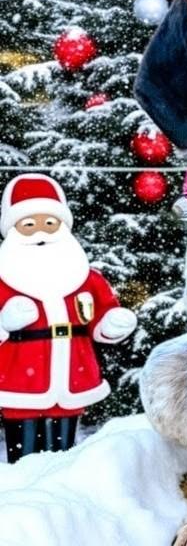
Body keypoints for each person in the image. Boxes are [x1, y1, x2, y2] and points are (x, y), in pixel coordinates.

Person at [0, 174, 137, 462]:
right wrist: (5, 323)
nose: (40, 233)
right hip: (20, 379)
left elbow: (100, 312)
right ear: (13, 229)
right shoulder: (4, 279)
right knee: (24, 456)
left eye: (49, 224)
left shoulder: (84, 277)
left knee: (62, 453)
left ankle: (60, 483)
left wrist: (111, 323)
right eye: (28, 225)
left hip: (72, 374)